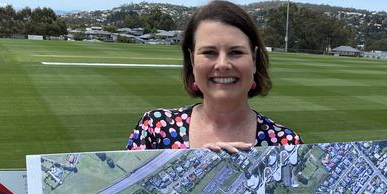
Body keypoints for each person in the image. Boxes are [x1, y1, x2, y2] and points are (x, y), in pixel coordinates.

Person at [126, 0, 302, 153]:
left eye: (236, 52)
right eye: (209, 52)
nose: (222, 64)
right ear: (192, 60)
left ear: (254, 60)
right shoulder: (155, 129)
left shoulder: (286, 144)